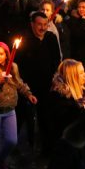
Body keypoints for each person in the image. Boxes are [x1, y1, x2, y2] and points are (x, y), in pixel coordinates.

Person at [0, 42, 37, 169]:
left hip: (9, 110)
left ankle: (1, 160)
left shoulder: (13, 66)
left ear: (7, 55)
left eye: (1, 54)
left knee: (12, 141)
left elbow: (19, 82)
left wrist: (28, 94)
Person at [18, 11, 61, 153]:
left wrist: (55, 77)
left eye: (45, 25)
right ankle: (22, 146)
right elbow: (19, 63)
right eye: (39, 25)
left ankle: (46, 148)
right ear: (32, 24)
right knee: (24, 116)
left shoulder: (51, 37)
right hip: (28, 85)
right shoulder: (24, 39)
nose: (42, 28)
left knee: (46, 117)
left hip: (47, 84)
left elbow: (56, 59)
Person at [45, 59, 85, 156]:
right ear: (73, 77)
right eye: (81, 73)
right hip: (65, 148)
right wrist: (76, 108)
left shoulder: (83, 90)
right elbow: (62, 124)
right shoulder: (58, 96)